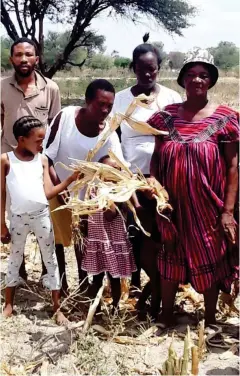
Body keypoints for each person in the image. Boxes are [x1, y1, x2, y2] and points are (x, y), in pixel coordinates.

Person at [148, 48, 239, 327]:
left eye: (203, 75)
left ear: (211, 80)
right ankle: (165, 315)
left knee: (210, 254)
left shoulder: (225, 118)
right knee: (170, 255)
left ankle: (209, 318)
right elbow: (156, 157)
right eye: (191, 75)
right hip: (171, 204)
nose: (197, 80)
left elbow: (234, 167)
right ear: (182, 80)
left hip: (207, 206)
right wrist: (154, 187)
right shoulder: (166, 117)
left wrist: (228, 211)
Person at [111, 34, 182, 290]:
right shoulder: (120, 99)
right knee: (135, 228)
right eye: (141, 69)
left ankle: (162, 280)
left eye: (152, 69)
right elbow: (112, 136)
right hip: (131, 176)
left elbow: (179, 135)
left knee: (161, 229)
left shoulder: (171, 97)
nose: (147, 74)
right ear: (134, 69)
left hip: (165, 176)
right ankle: (137, 279)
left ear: (158, 68)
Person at [0, 37, 70, 292]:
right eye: (18, 55)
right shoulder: (1, 86)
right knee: (14, 214)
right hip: (10, 162)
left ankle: (49, 275)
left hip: (39, 163)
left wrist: (49, 164)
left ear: (36, 59)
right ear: (12, 59)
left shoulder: (50, 88)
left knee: (45, 217)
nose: (23, 60)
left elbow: (54, 128)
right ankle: (17, 275)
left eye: (28, 55)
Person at [44, 79, 126, 287]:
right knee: (59, 241)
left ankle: (84, 284)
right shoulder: (65, 118)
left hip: (88, 199)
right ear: (87, 101)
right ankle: (60, 284)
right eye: (100, 104)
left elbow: (117, 167)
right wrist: (60, 191)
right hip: (58, 187)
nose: (105, 110)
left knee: (84, 242)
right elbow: (48, 157)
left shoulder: (109, 132)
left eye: (109, 106)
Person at [1, 116, 79, 323]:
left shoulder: (42, 160)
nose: (41, 144)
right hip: (17, 218)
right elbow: (1, 194)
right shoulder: (6, 160)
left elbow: (48, 193)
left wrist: (70, 180)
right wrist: (1, 224)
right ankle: (9, 303)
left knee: (50, 259)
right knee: (15, 259)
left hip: (41, 216)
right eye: (38, 140)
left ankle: (57, 307)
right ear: (21, 139)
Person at [81, 155, 136, 311]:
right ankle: (96, 307)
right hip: (98, 239)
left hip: (113, 240)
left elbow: (111, 215)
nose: (115, 172)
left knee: (114, 277)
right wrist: (84, 228)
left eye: (117, 169)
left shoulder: (120, 192)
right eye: (110, 169)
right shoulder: (93, 189)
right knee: (97, 277)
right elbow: (87, 211)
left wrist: (114, 196)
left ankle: (116, 306)